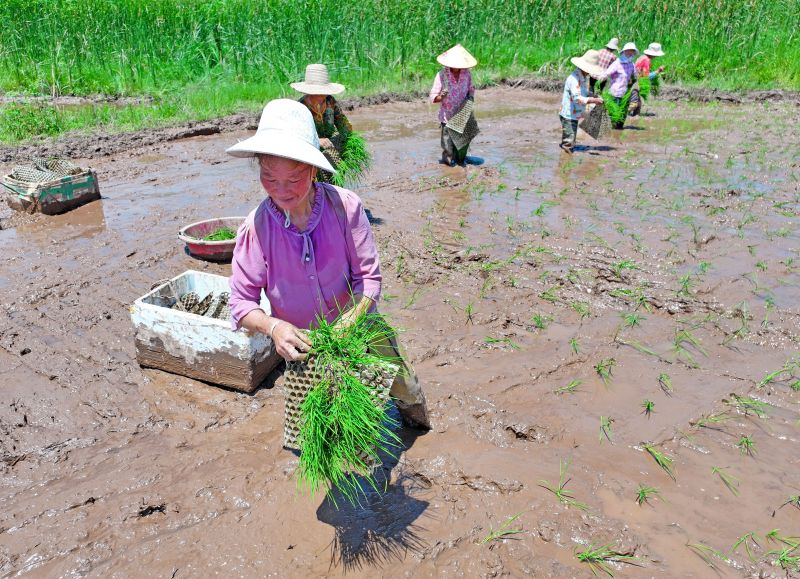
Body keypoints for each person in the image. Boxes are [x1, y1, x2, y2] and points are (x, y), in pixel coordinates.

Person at [226, 99, 430, 429]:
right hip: (306, 346)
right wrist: (274, 327)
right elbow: (241, 303)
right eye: (269, 178)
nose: (281, 191)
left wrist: (352, 319)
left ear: (312, 169)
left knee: (403, 388)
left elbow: (369, 279)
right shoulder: (257, 227)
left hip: (360, 325)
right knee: (323, 427)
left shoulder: (346, 208)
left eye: (293, 179)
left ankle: (418, 422)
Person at [291, 64, 353, 182]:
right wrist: (318, 141)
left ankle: (335, 186)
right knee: (319, 176)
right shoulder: (301, 107)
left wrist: (349, 136)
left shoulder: (330, 101)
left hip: (329, 143)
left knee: (337, 169)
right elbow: (297, 135)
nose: (321, 95)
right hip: (310, 147)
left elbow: (342, 123)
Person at [429, 44, 479, 167]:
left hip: (462, 113)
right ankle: (448, 164)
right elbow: (433, 96)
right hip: (447, 114)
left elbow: (471, 89)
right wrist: (442, 96)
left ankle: (460, 160)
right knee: (448, 145)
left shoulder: (466, 74)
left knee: (461, 144)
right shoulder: (442, 75)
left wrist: (470, 100)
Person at [559, 50, 605, 153]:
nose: (589, 72)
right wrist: (593, 100)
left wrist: (592, 95)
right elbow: (577, 98)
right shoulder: (574, 79)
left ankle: (566, 150)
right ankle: (565, 159)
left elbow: (582, 92)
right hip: (568, 114)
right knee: (569, 140)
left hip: (573, 113)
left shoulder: (582, 77)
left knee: (570, 135)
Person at [600, 42, 638, 128]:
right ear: (624, 51)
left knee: (622, 116)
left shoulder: (631, 64)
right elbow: (607, 73)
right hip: (615, 93)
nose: (630, 53)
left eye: (632, 51)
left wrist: (633, 81)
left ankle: (618, 131)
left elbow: (635, 76)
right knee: (615, 116)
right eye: (628, 51)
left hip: (625, 94)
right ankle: (614, 131)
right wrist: (599, 80)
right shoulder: (617, 63)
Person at [630, 43, 666, 117]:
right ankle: (626, 113)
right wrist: (658, 71)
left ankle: (635, 116)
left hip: (632, 80)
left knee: (638, 102)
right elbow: (645, 76)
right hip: (636, 82)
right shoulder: (647, 60)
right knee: (635, 103)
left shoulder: (642, 57)